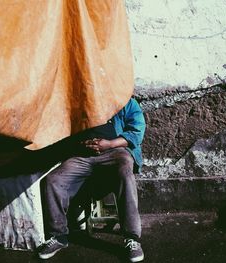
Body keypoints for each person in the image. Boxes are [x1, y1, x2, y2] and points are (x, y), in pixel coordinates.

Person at [38, 98, 146, 262]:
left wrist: (109, 144)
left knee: (125, 172)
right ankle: (58, 235)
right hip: (82, 155)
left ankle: (132, 238)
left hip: (115, 151)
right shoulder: (76, 97)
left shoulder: (124, 99)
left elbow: (137, 131)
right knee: (53, 180)